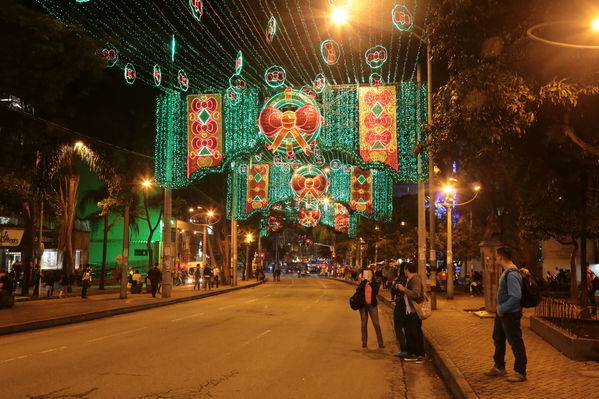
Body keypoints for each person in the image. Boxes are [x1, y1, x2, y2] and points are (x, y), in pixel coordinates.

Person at [484, 247, 527, 382]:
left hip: (510, 314)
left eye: (497, 256)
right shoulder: (508, 272)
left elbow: (516, 296)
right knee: (498, 338)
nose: (496, 259)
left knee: (515, 342)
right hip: (503, 313)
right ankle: (499, 367)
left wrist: (502, 308)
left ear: (501, 257)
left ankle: (520, 372)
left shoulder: (512, 273)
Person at [395, 262, 426, 363]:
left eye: (404, 269)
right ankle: (413, 353)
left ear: (407, 270)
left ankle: (420, 355)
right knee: (409, 332)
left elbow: (416, 294)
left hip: (415, 311)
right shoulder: (410, 279)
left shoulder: (415, 279)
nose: (403, 271)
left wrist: (404, 289)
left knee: (416, 333)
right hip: (409, 311)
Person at [357, 266, 384, 349]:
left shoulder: (376, 282)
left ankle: (380, 343)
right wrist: (363, 282)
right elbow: (358, 290)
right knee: (364, 324)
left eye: (369, 273)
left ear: (372, 274)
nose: (368, 275)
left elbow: (376, 291)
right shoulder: (363, 281)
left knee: (376, 324)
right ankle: (364, 342)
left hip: (372, 305)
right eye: (366, 273)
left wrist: (370, 282)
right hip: (363, 305)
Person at [390, 262, 409, 358]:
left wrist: (394, 285)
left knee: (398, 327)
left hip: (401, 305)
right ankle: (408, 348)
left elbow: (393, 290)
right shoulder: (410, 279)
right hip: (408, 306)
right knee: (406, 327)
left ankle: (404, 349)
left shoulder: (400, 279)